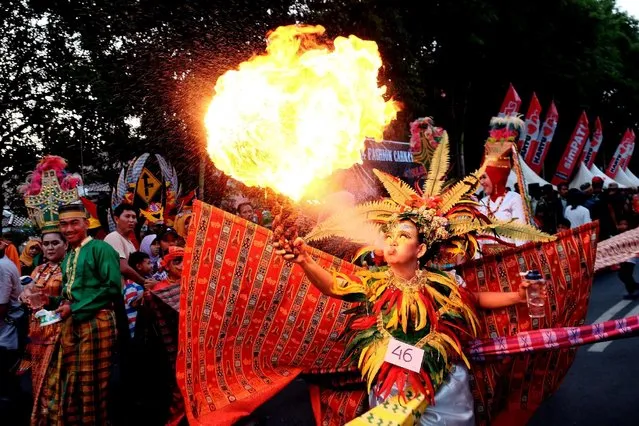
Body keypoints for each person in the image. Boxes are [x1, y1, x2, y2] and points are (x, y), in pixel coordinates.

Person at [273, 138, 552, 424]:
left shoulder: (439, 283)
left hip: (441, 388)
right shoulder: (375, 282)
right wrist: (305, 259)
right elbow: (334, 285)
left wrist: (518, 297)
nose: (392, 242)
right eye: (390, 235)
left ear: (420, 250)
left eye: (403, 236)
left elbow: (476, 298)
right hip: (390, 386)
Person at [42, 203, 122, 425]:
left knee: (92, 383)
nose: (68, 229)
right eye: (64, 224)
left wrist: (73, 308)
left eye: (74, 223)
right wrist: (48, 300)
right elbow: (71, 295)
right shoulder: (69, 256)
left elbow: (112, 288)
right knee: (73, 381)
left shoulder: (100, 248)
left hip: (97, 322)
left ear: (86, 224)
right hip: (73, 322)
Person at [18, 231, 67, 424]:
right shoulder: (38, 270)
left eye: (55, 243)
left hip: (59, 333)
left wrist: (46, 300)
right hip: (36, 333)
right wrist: (24, 296)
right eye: (46, 244)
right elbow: (28, 292)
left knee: (55, 383)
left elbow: (70, 298)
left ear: (65, 245)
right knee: (37, 381)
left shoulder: (70, 269)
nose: (50, 247)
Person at [104, 203, 152, 286]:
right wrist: (144, 282)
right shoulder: (113, 237)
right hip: (118, 292)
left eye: (134, 217)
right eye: (127, 216)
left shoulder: (130, 243)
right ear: (116, 219)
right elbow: (123, 268)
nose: (131, 220)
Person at [0, 237, 24, 399]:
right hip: (7, 332)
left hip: (6, 335)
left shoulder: (2, 267)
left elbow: (1, 307)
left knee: (6, 386)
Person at [123, 251, 153, 338]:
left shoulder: (141, 283)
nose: (151, 266)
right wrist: (145, 295)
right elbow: (133, 303)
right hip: (135, 327)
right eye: (148, 263)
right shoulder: (130, 284)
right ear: (139, 266)